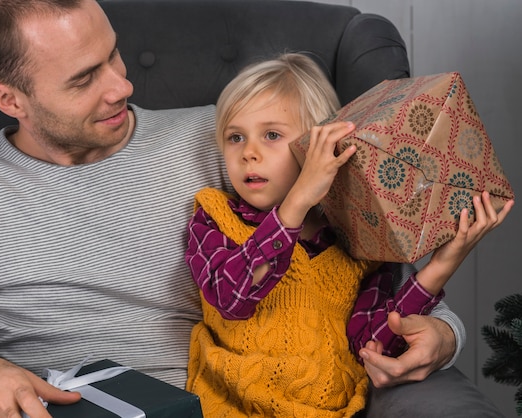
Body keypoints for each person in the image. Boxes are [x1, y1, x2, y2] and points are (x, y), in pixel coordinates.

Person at [0, 0, 507, 417]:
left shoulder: (223, 141)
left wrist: (444, 336)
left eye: (114, 54)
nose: (121, 85)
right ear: (9, 100)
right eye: (84, 79)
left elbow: (353, 268)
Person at [184, 54, 514, 417]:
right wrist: (295, 203)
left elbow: (374, 347)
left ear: (317, 148)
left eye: (272, 135)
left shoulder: (355, 240)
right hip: (229, 406)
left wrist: (442, 266)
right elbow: (231, 297)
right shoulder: (214, 216)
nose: (249, 153)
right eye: (235, 137)